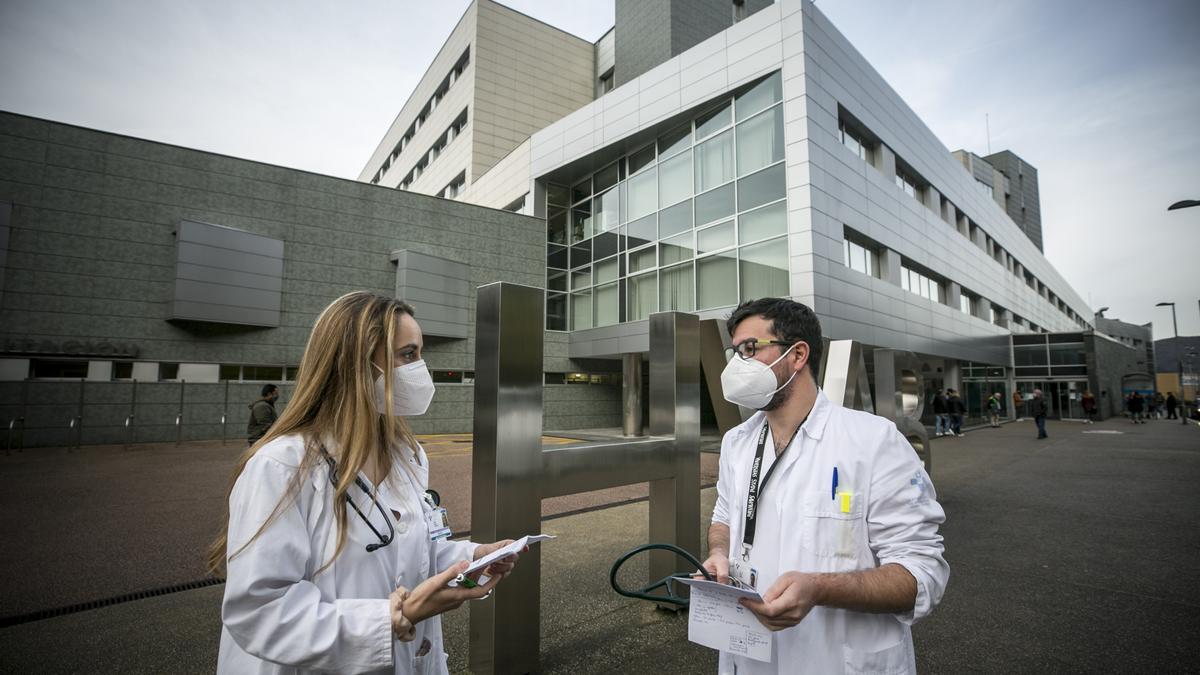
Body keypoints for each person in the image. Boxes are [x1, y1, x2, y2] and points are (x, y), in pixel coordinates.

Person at [211, 291, 523, 674]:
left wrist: (472, 558)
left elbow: (411, 550)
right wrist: (392, 618)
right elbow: (259, 612)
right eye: (408, 354)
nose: (420, 368)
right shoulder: (282, 466)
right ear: (357, 365)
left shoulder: (406, 454)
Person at [702, 298, 948, 674]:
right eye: (735, 352)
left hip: (839, 662)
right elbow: (724, 517)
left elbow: (921, 574)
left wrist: (819, 588)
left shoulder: (874, 441)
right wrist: (718, 556)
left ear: (798, 354)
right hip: (748, 657)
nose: (738, 364)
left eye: (750, 349)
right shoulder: (738, 441)